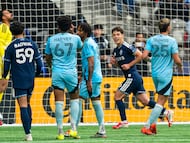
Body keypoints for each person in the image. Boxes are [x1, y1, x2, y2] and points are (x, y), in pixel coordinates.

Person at [110, 26, 173, 129]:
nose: (116, 37)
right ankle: (166, 112)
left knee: (117, 97)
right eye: (114, 35)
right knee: (145, 101)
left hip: (132, 77)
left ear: (122, 35)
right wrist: (115, 64)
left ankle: (124, 121)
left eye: (118, 34)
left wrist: (130, 65)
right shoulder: (116, 50)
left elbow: (140, 55)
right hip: (135, 78)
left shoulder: (128, 46)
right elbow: (122, 66)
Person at [2, 21, 43, 141]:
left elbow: (6, 66)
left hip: (19, 78)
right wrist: (35, 74)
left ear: (11, 32)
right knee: (28, 103)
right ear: (23, 31)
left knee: (23, 105)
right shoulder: (32, 44)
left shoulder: (10, 46)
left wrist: (4, 76)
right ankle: (29, 128)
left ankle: (28, 134)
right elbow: (40, 65)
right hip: (30, 78)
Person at [141, 18, 183, 135]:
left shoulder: (151, 39)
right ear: (168, 27)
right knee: (161, 101)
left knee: (161, 100)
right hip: (166, 74)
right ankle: (147, 126)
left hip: (154, 73)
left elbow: (144, 56)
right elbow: (176, 59)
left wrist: (152, 59)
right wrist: (180, 65)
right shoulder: (172, 41)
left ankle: (153, 126)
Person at [45, 15, 83, 140]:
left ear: (57, 26)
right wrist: (72, 33)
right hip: (71, 72)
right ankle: (73, 129)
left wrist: (52, 66)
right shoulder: (75, 38)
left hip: (57, 72)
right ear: (70, 25)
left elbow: (48, 57)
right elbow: (80, 47)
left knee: (58, 102)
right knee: (74, 99)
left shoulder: (51, 39)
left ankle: (60, 132)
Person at [76, 22, 107, 138]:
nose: (78, 32)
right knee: (96, 102)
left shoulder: (88, 44)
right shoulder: (91, 42)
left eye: (80, 30)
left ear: (85, 32)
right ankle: (102, 130)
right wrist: (81, 74)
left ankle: (74, 128)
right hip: (95, 76)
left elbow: (91, 63)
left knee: (78, 100)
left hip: (91, 78)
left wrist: (88, 81)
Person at [0, 9, 13, 125]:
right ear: (3, 17)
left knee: (3, 87)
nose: (11, 14)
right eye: (8, 13)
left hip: (4, 59)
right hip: (2, 60)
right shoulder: (4, 27)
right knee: (3, 85)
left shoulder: (8, 28)